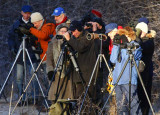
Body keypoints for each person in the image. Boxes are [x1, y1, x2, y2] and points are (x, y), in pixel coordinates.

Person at [63, 20, 99, 113]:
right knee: (79, 99)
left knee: (89, 100)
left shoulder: (87, 36)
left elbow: (80, 47)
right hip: (79, 74)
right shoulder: (77, 38)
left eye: (74, 31)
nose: (73, 33)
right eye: (72, 32)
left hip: (88, 74)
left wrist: (69, 39)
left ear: (79, 29)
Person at [8, 5, 39, 105]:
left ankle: (35, 98)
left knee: (33, 76)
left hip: (31, 52)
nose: (27, 15)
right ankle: (22, 98)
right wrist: (12, 47)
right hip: (20, 52)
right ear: (21, 13)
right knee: (19, 77)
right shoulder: (16, 24)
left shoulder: (33, 23)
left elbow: (38, 36)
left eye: (29, 13)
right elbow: (11, 37)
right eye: (25, 13)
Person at [110, 28, 142, 115]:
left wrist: (126, 45)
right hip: (118, 80)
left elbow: (129, 58)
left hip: (129, 79)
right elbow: (112, 60)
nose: (122, 39)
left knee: (134, 105)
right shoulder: (118, 47)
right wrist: (116, 45)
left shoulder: (135, 45)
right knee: (121, 107)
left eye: (124, 36)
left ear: (129, 36)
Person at [46, 23, 74, 114]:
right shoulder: (52, 43)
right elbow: (49, 59)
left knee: (66, 97)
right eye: (62, 31)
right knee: (56, 96)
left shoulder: (71, 42)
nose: (63, 33)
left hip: (68, 73)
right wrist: (50, 71)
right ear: (58, 32)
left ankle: (67, 111)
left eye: (65, 31)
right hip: (56, 73)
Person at [135, 20, 155, 115]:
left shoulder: (149, 42)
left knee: (145, 95)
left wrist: (136, 39)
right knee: (138, 94)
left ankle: (145, 113)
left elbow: (142, 47)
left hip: (146, 73)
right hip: (138, 73)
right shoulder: (142, 41)